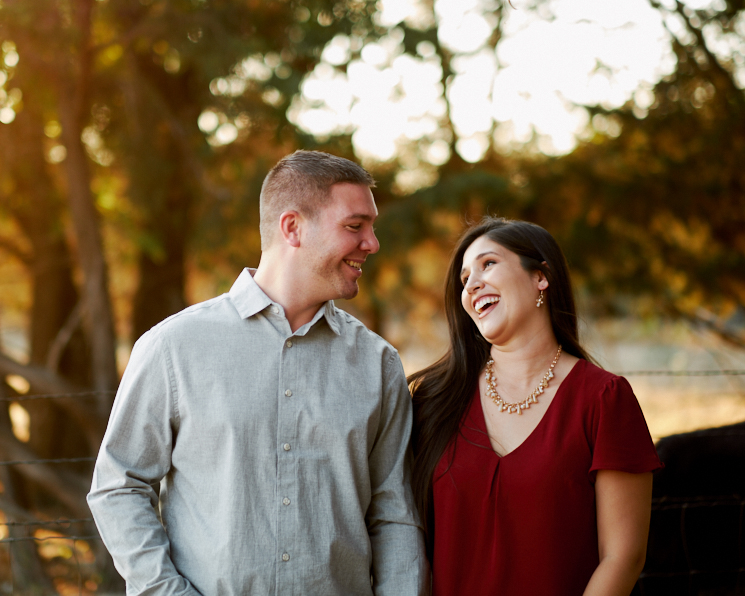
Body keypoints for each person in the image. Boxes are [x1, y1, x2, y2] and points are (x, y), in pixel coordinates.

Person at [88, 150, 429, 595]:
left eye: (371, 226)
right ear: (293, 227)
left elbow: (395, 513)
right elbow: (119, 485)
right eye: (354, 226)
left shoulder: (377, 363)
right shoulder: (174, 347)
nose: (372, 243)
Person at [409, 216, 662, 595]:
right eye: (464, 279)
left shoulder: (604, 398)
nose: (472, 283)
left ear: (540, 276)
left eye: (488, 264)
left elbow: (623, 557)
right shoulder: (434, 400)